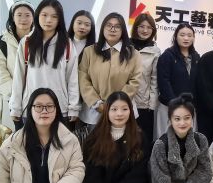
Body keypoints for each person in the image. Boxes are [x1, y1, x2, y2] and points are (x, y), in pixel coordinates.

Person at [148, 93, 211, 183]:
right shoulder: (160, 145)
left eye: (187, 118)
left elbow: (204, 170)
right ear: (170, 120)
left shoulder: (200, 139)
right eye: (177, 119)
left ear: (192, 118)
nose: (182, 123)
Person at [9, 0, 79, 125]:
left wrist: (73, 107)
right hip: (31, 108)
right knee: (30, 139)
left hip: (59, 109)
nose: (48, 20)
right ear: (37, 16)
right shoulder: (26, 43)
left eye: (54, 16)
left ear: (59, 20)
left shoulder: (67, 44)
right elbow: (18, 78)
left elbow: (72, 79)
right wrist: (15, 107)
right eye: (44, 15)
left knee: (58, 139)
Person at [78, 13, 141, 128]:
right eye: (109, 25)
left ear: (123, 30)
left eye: (117, 26)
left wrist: (116, 105)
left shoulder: (133, 54)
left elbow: (135, 81)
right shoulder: (90, 51)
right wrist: (96, 103)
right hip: (94, 111)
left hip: (122, 111)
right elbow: (83, 79)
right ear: (103, 28)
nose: (112, 29)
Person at [0, 0, 34, 130]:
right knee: (21, 130)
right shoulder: (2, 42)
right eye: (19, 15)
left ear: (33, 18)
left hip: (38, 94)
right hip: (14, 96)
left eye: (27, 15)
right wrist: (13, 91)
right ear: (12, 17)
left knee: (40, 131)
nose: (23, 19)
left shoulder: (41, 39)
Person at [156, 23, 200, 138]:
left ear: (193, 38)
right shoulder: (167, 55)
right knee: (166, 140)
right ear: (176, 36)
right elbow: (164, 82)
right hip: (169, 107)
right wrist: (174, 103)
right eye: (182, 35)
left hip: (189, 108)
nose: (186, 38)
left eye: (189, 35)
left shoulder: (196, 57)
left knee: (188, 140)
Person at [130, 13, 161, 144]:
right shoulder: (125, 46)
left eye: (149, 27)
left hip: (143, 104)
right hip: (124, 100)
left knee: (142, 142)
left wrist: (151, 106)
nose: (145, 30)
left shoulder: (155, 51)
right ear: (136, 27)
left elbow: (154, 80)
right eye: (141, 26)